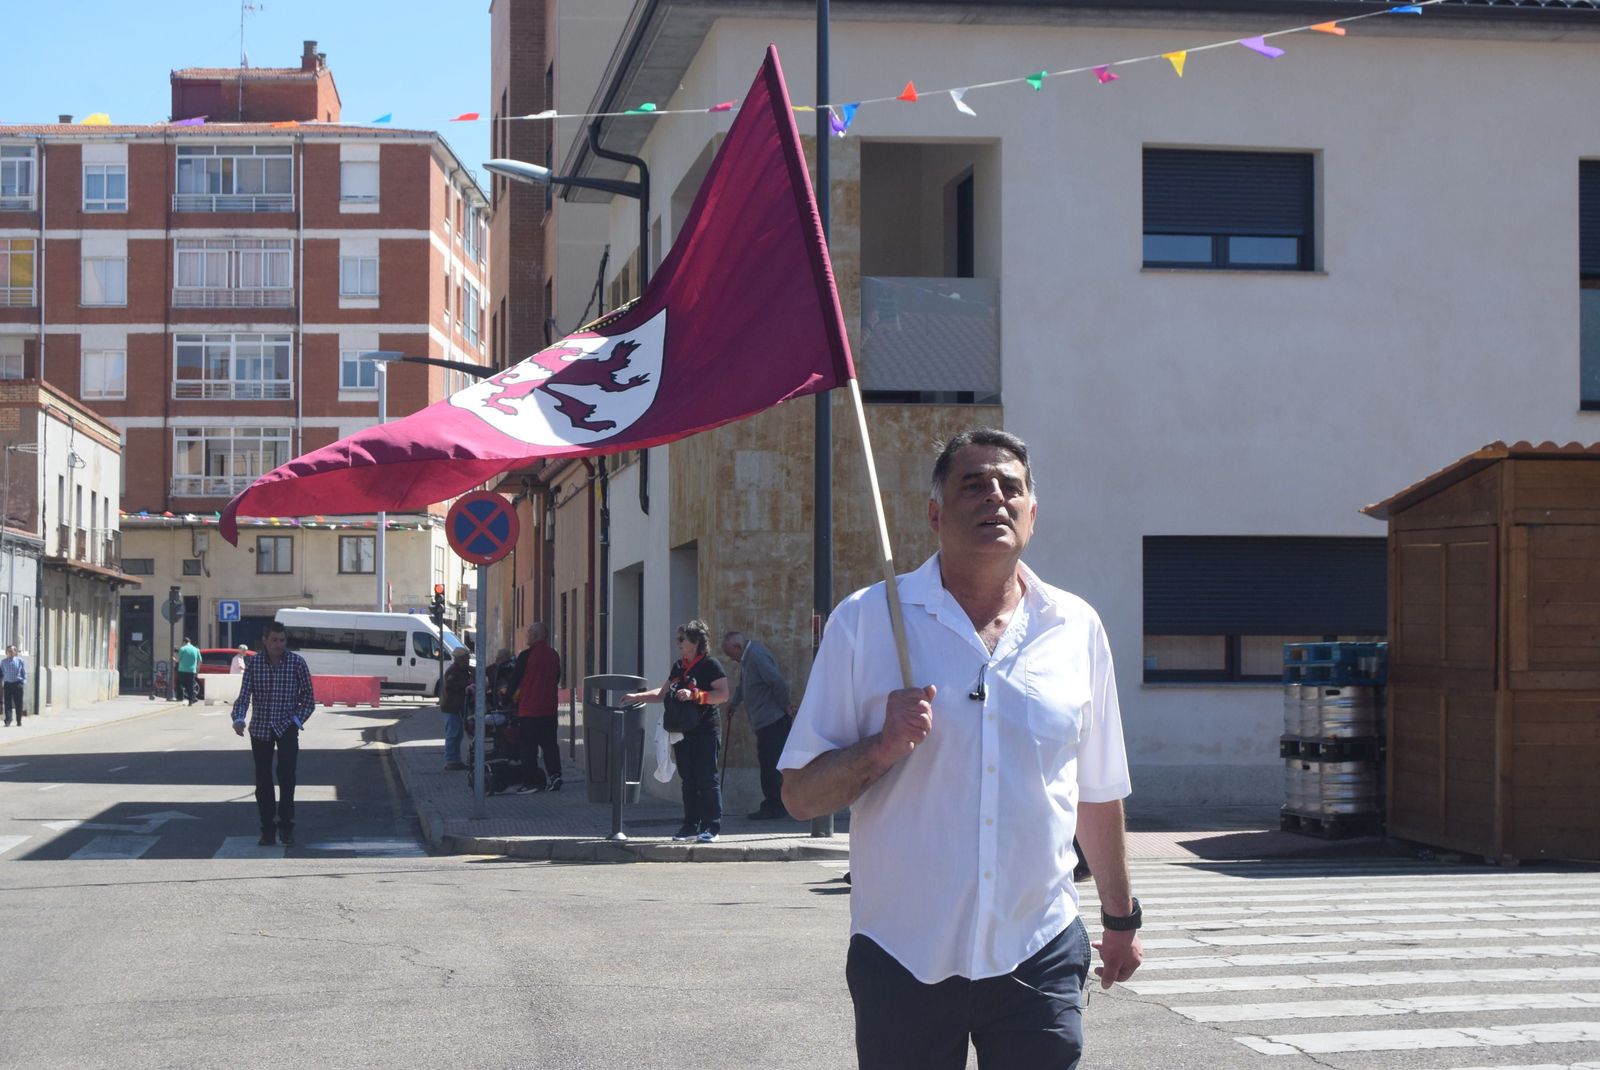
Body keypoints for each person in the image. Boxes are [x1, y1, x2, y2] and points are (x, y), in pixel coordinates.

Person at [779, 428, 1142, 1069]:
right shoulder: (867, 622)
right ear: (934, 512)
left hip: (1039, 948)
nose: (995, 498)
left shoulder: (1076, 628)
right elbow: (801, 796)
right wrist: (880, 749)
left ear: (1033, 512)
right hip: (902, 953)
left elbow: (1097, 789)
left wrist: (1120, 918)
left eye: (1011, 487)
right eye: (973, 484)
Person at [624, 620, 729, 842]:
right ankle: (690, 825)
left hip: (705, 729)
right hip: (682, 731)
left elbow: (722, 694)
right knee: (688, 779)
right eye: (678, 639)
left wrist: (695, 696)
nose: (678, 643)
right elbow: (663, 693)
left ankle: (712, 826)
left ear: (696, 642)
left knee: (707, 778)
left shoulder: (710, 665)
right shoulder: (678, 666)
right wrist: (638, 696)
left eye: (682, 639)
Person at [231, 621, 316, 846]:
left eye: (282, 640)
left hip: (287, 726)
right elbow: (244, 696)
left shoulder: (297, 663)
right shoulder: (254, 663)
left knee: (287, 777)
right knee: (263, 781)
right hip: (260, 727)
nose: (279, 645)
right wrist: (239, 718)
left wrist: (297, 720)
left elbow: (309, 697)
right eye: (275, 640)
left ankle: (286, 827)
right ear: (265, 641)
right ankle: (267, 829)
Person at [720, 630, 795, 820]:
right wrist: (734, 703)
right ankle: (774, 805)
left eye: (731, 654)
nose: (732, 659)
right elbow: (744, 685)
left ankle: (775, 807)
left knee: (771, 766)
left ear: (738, 647)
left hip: (773, 720)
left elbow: (777, 681)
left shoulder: (756, 655)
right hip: (765, 722)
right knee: (768, 764)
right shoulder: (747, 658)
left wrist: (785, 705)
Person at [508, 623, 562, 793]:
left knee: (528, 748)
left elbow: (515, 679)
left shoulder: (526, 656)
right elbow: (557, 677)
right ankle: (555, 775)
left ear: (538, 635)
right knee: (550, 745)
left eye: (530, 633)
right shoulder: (554, 655)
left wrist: (507, 698)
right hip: (549, 709)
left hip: (529, 710)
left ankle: (530, 782)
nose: (527, 636)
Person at [440, 646, 471, 771]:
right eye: (466, 658)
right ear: (459, 659)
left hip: (456, 706)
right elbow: (450, 686)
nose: (468, 660)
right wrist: (467, 683)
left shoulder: (462, 670)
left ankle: (455, 760)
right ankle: (451, 760)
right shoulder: (453, 670)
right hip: (451, 706)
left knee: (457, 734)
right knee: (453, 734)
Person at [2, 645, 25, 726]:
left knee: (18, 703)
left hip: (17, 684)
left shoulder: (20, 661)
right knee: (7, 703)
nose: (10, 653)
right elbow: (1, 673)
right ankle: (8, 720)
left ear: (15, 652)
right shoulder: (3, 662)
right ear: (6, 653)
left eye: (12, 651)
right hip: (7, 684)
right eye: (8, 651)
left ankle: (19, 721)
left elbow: (23, 672)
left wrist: (23, 682)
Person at [175, 638, 201, 705]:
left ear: (184, 642)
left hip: (182, 670)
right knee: (190, 686)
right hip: (192, 671)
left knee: (178, 683)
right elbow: (200, 660)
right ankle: (191, 701)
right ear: (190, 642)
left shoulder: (182, 649)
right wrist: (197, 668)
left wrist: (174, 659)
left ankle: (180, 697)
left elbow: (179, 660)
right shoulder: (196, 649)